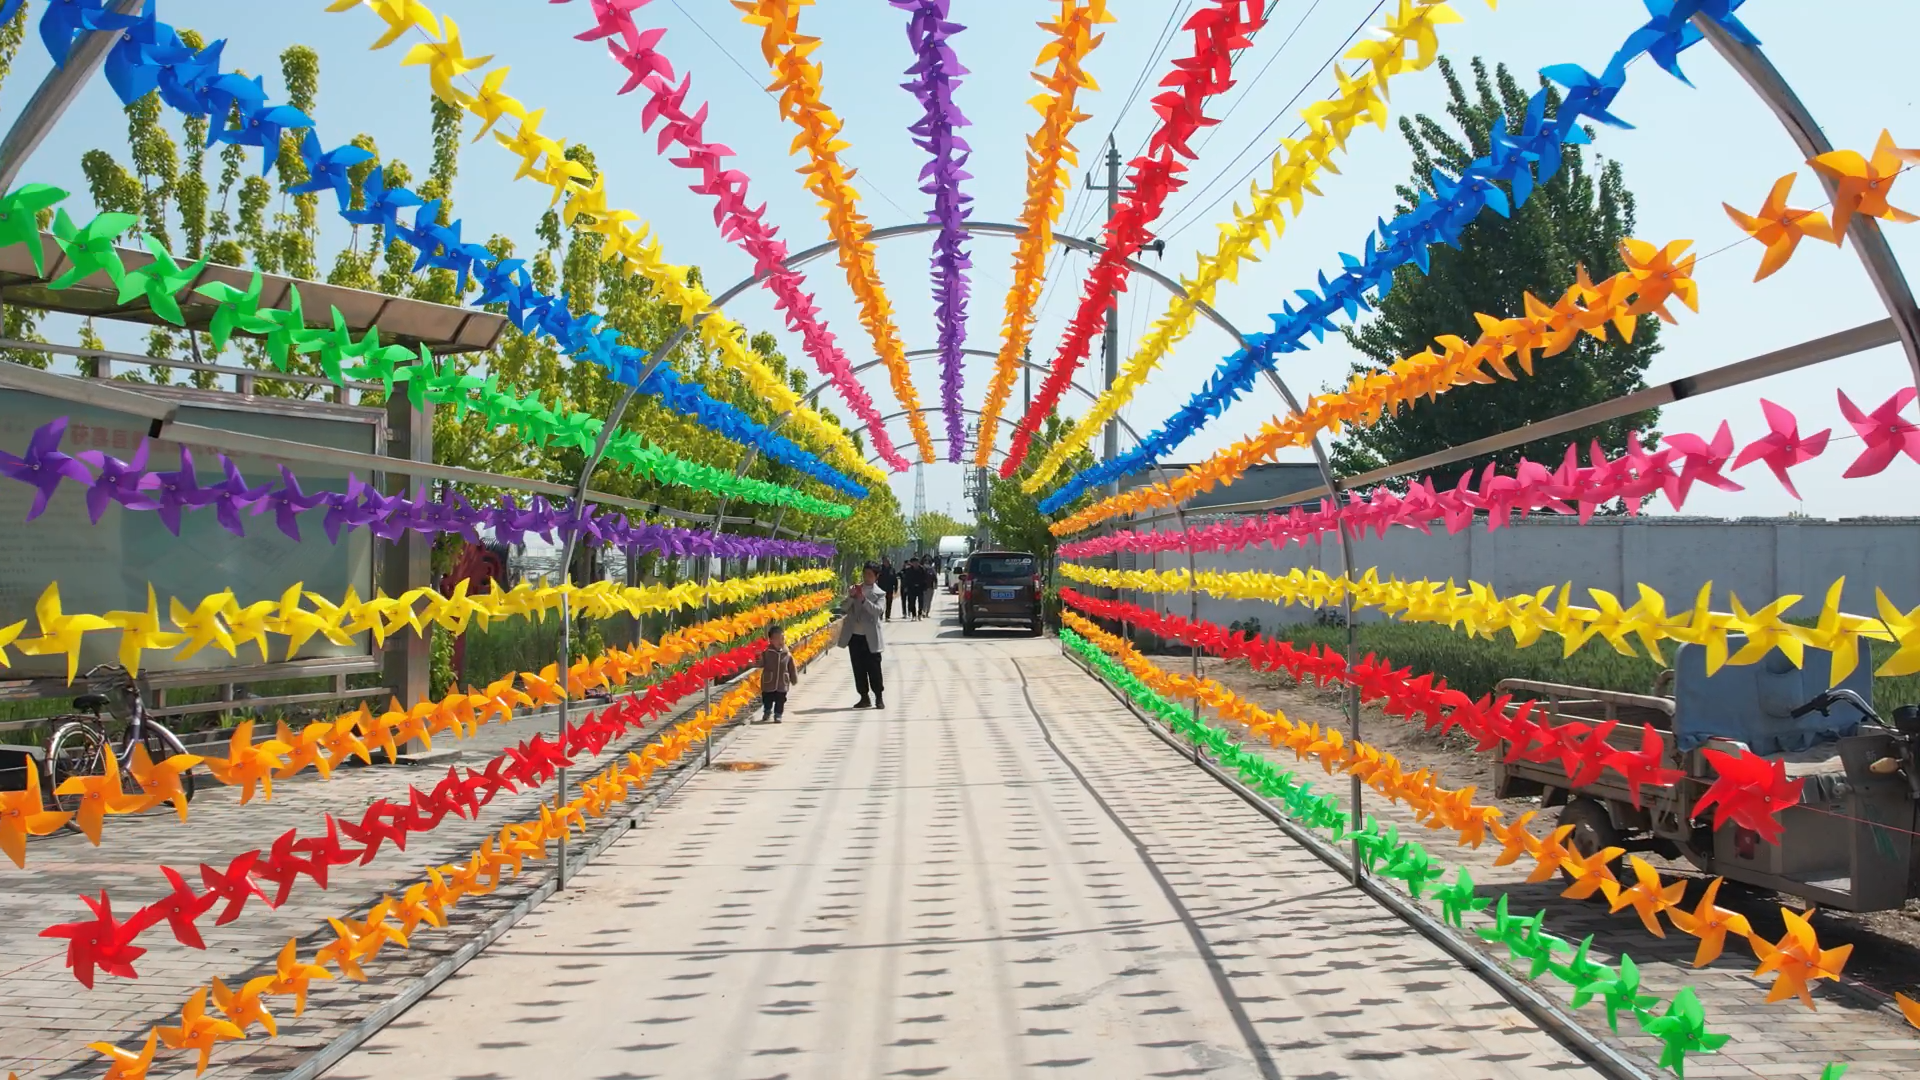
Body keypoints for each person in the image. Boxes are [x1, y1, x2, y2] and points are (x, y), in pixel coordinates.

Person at [840, 562, 886, 708]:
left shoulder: (880, 594)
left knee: (874, 668)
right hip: (855, 636)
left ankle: (879, 696)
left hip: (870, 638)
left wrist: (864, 600)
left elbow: (878, 611)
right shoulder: (855, 589)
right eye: (865, 574)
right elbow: (843, 607)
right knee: (858, 668)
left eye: (870, 575)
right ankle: (864, 696)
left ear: (876, 576)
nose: (867, 577)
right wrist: (852, 597)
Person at [758, 624, 798, 723]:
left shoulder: (787, 654)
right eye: (778, 639)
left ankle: (778, 714)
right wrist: (757, 658)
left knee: (781, 700)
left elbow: (792, 668)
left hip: (782, 683)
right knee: (767, 698)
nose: (781, 641)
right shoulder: (766, 653)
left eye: (782, 638)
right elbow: (760, 663)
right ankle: (767, 711)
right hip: (769, 682)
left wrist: (794, 679)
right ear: (771, 640)